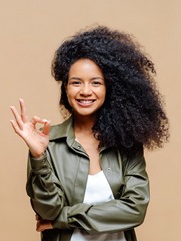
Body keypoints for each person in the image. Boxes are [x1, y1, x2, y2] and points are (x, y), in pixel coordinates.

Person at [10, 25, 169, 241]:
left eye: (96, 83)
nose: (85, 91)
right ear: (66, 88)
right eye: (76, 82)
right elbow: (47, 211)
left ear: (109, 88)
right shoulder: (48, 142)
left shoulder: (127, 143)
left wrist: (64, 217)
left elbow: (135, 209)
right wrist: (39, 156)